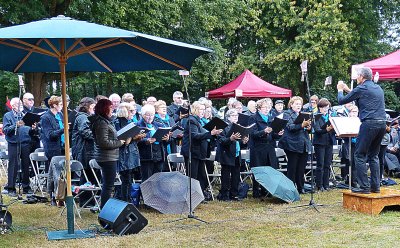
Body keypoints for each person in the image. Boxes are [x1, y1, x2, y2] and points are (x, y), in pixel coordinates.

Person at [337, 67, 386, 194]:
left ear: (362, 77)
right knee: (374, 155)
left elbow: (341, 101)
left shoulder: (362, 88)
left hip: (369, 124)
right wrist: (349, 89)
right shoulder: (377, 88)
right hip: (382, 124)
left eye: (358, 75)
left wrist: (340, 89)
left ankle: (364, 187)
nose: (356, 77)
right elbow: (360, 95)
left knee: (359, 154)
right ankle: (375, 187)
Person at [181, 101, 222, 196]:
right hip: (192, 152)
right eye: (201, 109)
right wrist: (210, 133)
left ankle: (199, 195)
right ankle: (191, 196)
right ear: (195, 109)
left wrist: (214, 134)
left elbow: (205, 135)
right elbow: (195, 135)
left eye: (204, 109)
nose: (203, 111)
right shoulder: (191, 120)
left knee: (202, 175)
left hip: (200, 152)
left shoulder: (200, 120)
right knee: (193, 176)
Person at [91, 99, 126, 208]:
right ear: (105, 109)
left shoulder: (104, 121)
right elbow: (103, 143)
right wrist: (119, 142)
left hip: (109, 156)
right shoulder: (101, 123)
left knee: (108, 185)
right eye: (110, 107)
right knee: (108, 185)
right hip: (106, 158)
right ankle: (104, 208)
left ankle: (105, 207)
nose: (112, 109)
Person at [248, 98, 282, 198]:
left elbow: (273, 135)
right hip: (258, 148)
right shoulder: (253, 118)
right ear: (259, 108)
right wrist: (264, 131)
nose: (267, 109)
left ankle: (267, 191)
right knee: (259, 170)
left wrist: (278, 134)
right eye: (265, 107)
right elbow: (252, 134)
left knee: (270, 169)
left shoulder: (271, 118)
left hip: (269, 147)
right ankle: (256, 192)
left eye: (269, 107)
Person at [2, 98, 36, 196]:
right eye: (18, 104)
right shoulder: (8, 116)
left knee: (26, 165)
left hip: (25, 142)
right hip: (13, 143)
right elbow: (6, 130)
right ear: (12, 105)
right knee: (13, 166)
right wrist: (16, 125)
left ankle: (26, 187)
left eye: (21, 103)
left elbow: (29, 130)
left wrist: (33, 129)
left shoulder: (24, 115)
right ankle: (11, 188)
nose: (21, 105)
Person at [279, 96, 312, 194]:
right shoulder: (286, 113)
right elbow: (290, 127)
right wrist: (302, 125)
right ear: (291, 104)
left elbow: (307, 129)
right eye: (296, 104)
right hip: (292, 144)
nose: (299, 106)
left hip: (304, 143)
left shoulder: (303, 114)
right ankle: (291, 188)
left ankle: (300, 187)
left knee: (301, 168)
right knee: (292, 167)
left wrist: (309, 127)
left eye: (300, 104)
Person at [216, 109, 249, 201]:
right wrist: (230, 139)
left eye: (237, 115)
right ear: (228, 117)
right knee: (226, 175)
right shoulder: (223, 126)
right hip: (226, 154)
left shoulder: (239, 127)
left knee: (236, 174)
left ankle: (234, 194)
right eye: (233, 115)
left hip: (237, 153)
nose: (236, 117)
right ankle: (224, 195)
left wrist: (244, 142)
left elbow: (239, 143)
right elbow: (221, 141)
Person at [113, 103, 143, 202]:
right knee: (126, 179)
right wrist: (131, 137)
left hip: (131, 153)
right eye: (131, 111)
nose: (133, 113)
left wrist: (137, 137)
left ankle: (128, 200)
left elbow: (131, 140)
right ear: (124, 111)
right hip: (123, 154)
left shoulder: (130, 122)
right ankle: (125, 201)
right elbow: (123, 141)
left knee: (129, 179)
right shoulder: (117, 122)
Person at [71, 97, 97, 207]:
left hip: (87, 150)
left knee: (90, 176)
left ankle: (89, 201)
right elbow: (85, 132)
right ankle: (85, 201)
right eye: (93, 106)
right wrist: (99, 135)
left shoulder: (86, 117)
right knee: (87, 176)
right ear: (89, 106)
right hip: (84, 150)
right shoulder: (82, 117)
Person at [137, 104, 169, 181]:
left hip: (159, 155)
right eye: (148, 115)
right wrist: (146, 141)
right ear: (142, 115)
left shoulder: (158, 125)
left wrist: (167, 138)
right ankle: (146, 193)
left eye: (152, 115)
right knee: (147, 179)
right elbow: (135, 140)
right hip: (146, 156)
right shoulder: (138, 125)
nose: (150, 117)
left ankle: (157, 193)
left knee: (158, 179)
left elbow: (167, 141)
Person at [313, 98, 336, 191]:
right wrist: (327, 129)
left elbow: (333, 130)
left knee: (327, 164)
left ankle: (326, 184)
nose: (326, 109)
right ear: (319, 108)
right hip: (319, 143)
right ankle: (319, 185)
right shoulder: (316, 116)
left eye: (327, 107)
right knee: (320, 164)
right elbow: (317, 130)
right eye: (323, 107)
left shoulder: (330, 116)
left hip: (329, 142)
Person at [40, 96, 65, 172]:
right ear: (54, 105)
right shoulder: (45, 117)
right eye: (60, 104)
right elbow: (50, 135)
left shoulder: (60, 115)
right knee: (54, 172)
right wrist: (63, 129)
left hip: (62, 146)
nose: (62, 106)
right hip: (52, 148)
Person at [154, 100, 176, 171]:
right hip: (161, 147)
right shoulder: (154, 119)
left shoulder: (170, 118)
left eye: (165, 107)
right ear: (157, 109)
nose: (164, 108)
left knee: (171, 169)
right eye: (162, 107)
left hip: (171, 144)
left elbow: (174, 128)